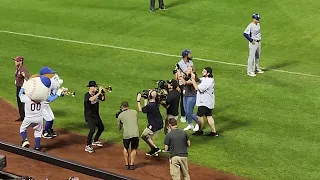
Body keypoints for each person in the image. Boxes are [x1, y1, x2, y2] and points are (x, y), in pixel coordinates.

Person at [19, 76, 51, 152]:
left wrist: (24, 86)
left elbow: (20, 94)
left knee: (22, 129)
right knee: (38, 132)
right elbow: (48, 97)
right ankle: (37, 148)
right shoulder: (42, 99)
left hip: (28, 118)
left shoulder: (27, 98)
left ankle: (25, 140)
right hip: (39, 119)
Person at [190, 67, 218, 137]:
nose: (202, 72)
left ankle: (200, 131)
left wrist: (193, 79)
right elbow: (199, 80)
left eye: (204, 71)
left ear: (208, 73)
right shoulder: (207, 79)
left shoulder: (208, 81)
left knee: (200, 117)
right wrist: (193, 74)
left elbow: (197, 87)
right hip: (209, 101)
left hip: (204, 102)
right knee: (209, 116)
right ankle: (214, 132)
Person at [137, 90, 163, 156]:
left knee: (144, 135)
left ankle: (155, 149)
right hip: (159, 123)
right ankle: (153, 150)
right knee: (148, 137)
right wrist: (146, 99)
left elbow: (141, 109)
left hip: (154, 124)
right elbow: (147, 107)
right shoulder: (156, 103)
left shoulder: (150, 106)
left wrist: (138, 100)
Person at [84, 81, 106, 153]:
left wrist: (103, 93)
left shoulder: (96, 93)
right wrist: (99, 92)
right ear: (91, 87)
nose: (96, 88)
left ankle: (95, 140)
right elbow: (91, 99)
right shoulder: (87, 95)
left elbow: (103, 99)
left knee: (101, 128)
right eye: (95, 86)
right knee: (92, 130)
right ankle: (88, 146)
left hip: (96, 115)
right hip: (89, 116)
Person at [117, 101, 139, 170]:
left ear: (122, 107)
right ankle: (132, 165)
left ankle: (127, 164)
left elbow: (119, 128)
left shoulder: (120, 115)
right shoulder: (135, 112)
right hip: (135, 133)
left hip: (127, 134)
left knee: (126, 148)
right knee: (134, 148)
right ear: (128, 106)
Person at [178, 66, 200, 131]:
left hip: (191, 97)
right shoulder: (187, 76)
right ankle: (190, 124)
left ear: (193, 71)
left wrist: (180, 75)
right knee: (186, 112)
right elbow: (180, 80)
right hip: (185, 96)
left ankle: (199, 123)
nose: (187, 70)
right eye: (187, 68)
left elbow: (185, 83)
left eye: (189, 69)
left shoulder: (194, 77)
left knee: (190, 112)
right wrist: (180, 74)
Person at [175, 49, 194, 123]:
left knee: (190, 98)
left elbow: (193, 71)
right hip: (182, 84)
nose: (191, 55)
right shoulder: (180, 64)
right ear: (186, 55)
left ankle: (189, 114)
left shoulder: (191, 62)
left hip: (189, 83)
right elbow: (178, 75)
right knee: (183, 100)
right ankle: (183, 115)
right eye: (189, 54)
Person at [13, 56, 30, 122]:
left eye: (16, 61)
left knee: (23, 102)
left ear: (20, 61)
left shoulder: (23, 69)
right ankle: (22, 116)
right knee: (19, 102)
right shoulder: (18, 68)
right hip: (18, 87)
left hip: (22, 88)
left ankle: (26, 117)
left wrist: (24, 76)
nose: (15, 62)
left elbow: (28, 77)